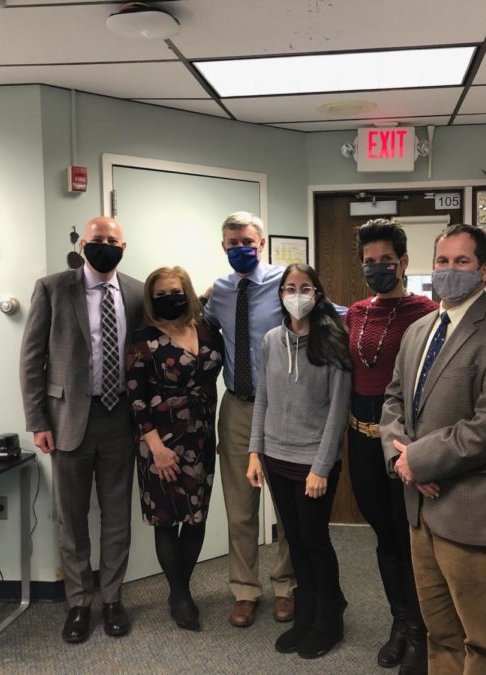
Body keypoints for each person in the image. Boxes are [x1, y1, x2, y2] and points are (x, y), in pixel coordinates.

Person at [380, 224, 486, 675]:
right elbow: (393, 402)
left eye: (462, 262)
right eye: (443, 262)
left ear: (485, 268)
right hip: (420, 512)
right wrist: (401, 461)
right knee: (442, 636)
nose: (450, 271)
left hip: (472, 511)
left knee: (484, 642)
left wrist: (419, 459)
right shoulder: (419, 330)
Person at [19, 216, 145, 644]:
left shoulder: (136, 291)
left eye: (112, 240)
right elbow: (31, 359)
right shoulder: (53, 288)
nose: (104, 245)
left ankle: (112, 599)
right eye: (97, 240)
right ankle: (78, 603)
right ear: (82, 243)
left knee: (116, 517)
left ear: (124, 246)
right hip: (67, 420)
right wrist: (37, 421)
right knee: (70, 519)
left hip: (119, 419)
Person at [246, 263, 352, 659]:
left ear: (317, 294)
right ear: (280, 294)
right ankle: (306, 614)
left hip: (312, 462)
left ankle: (330, 619)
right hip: (276, 457)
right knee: (295, 540)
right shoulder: (272, 339)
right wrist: (255, 451)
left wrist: (321, 467)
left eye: (304, 288)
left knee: (315, 540)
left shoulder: (333, 342)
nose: (296, 294)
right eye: (289, 288)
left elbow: (337, 412)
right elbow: (263, 399)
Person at [345, 219, 437, 673]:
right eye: (369, 262)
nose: (378, 268)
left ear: (403, 262)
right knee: (384, 537)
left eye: (386, 260)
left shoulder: (426, 312)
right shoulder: (357, 313)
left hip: (402, 442)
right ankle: (399, 623)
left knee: (409, 538)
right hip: (361, 440)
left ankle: (420, 633)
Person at [202, 211, 295, 628]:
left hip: (282, 407)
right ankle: (244, 591)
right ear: (224, 247)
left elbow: (329, 314)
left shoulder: (285, 282)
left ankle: (286, 586)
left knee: (287, 507)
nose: (242, 249)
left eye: (248, 242)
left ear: (262, 244)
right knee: (240, 508)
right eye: (233, 243)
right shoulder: (218, 292)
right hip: (237, 407)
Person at [125, 266, 223, 632]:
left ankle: (180, 591)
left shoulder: (209, 331)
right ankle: (180, 594)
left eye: (176, 292)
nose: (170, 299)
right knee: (166, 518)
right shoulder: (143, 339)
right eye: (161, 294)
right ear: (151, 300)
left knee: (196, 516)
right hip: (160, 440)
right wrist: (155, 447)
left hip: (201, 437)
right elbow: (136, 398)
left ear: (189, 293)